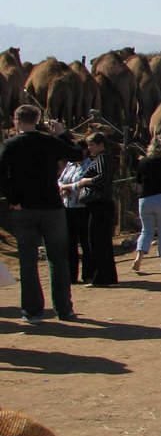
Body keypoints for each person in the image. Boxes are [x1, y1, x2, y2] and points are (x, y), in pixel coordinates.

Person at [0, 105, 83, 323]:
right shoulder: (50, 141)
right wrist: (62, 134)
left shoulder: (10, 145)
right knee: (58, 259)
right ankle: (64, 309)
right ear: (37, 119)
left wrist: (13, 200)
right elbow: (77, 154)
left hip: (24, 208)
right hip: (52, 206)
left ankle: (33, 311)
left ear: (17, 120)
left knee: (28, 261)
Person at [131, 135, 161, 274]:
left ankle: (139, 257)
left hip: (145, 199)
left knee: (146, 230)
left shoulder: (143, 163)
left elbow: (139, 181)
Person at [76, 133, 118, 286]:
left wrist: (85, 181)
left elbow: (102, 177)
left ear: (101, 145)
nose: (89, 148)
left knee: (97, 241)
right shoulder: (103, 158)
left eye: (92, 144)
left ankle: (101, 277)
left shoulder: (102, 158)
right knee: (101, 241)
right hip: (101, 205)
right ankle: (107, 276)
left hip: (100, 204)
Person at [57, 140, 92, 284]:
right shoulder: (70, 165)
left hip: (82, 208)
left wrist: (69, 187)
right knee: (69, 242)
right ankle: (71, 275)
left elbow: (83, 182)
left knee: (85, 241)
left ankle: (88, 273)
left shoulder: (90, 164)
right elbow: (60, 180)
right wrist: (62, 187)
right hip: (67, 206)